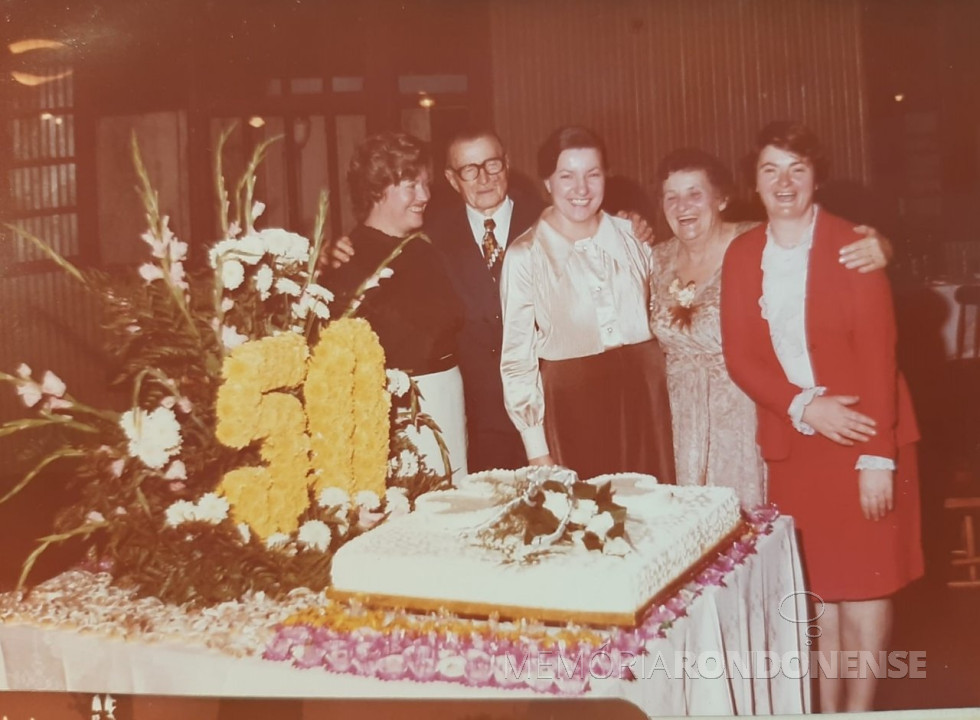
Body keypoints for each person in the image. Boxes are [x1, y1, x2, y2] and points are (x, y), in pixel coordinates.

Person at [720, 121, 923, 712]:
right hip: (799, 442)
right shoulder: (742, 254)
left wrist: (877, 456)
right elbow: (741, 356)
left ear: (816, 177)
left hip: (865, 433)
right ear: (753, 182)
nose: (784, 182)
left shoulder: (853, 245)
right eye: (770, 169)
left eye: (797, 168)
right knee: (819, 592)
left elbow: (878, 353)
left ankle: (858, 712)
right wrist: (805, 404)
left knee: (866, 586)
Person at [323, 127, 655, 473]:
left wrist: (634, 225)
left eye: (492, 165)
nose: (483, 178)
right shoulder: (430, 234)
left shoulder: (553, 220)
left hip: (552, 413)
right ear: (452, 179)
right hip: (473, 421)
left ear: (507, 164)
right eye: (469, 169)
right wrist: (331, 255)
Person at [650, 148, 891, 508]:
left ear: (721, 199)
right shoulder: (656, 257)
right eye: (672, 197)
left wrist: (882, 246)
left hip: (746, 411)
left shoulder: (756, 244)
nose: (682, 206)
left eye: (695, 194)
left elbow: (815, 244)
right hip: (679, 421)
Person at [500, 126, 675, 482]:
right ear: (547, 182)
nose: (581, 189)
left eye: (592, 174)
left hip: (646, 402)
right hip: (572, 409)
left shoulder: (633, 237)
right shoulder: (524, 255)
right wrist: (537, 450)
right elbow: (517, 359)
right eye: (567, 176)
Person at [324, 132, 467, 483]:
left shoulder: (426, 245)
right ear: (377, 190)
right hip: (403, 412)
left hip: (449, 398)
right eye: (411, 185)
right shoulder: (347, 261)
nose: (426, 195)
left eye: (425, 184)